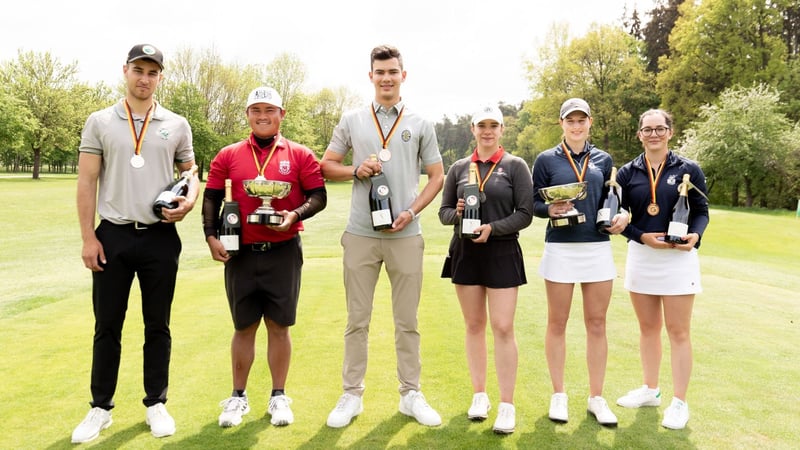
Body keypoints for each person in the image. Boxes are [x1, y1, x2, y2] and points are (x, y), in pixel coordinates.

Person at [72, 43, 198, 443]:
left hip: (161, 235)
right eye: (139, 70)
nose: (145, 79)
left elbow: (191, 172)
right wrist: (89, 236)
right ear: (125, 71)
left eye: (153, 72)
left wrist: (190, 201)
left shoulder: (176, 123)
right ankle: (100, 408)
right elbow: (87, 181)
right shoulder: (100, 121)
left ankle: (156, 403)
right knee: (107, 324)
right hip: (113, 235)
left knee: (157, 324)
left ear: (160, 77)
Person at [320, 44, 445, 428]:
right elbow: (326, 166)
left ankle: (411, 394)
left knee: (407, 320)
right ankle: (351, 395)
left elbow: (437, 176)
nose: (386, 78)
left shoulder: (421, 123)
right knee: (357, 320)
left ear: (403, 76)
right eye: (380, 72)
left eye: (393, 71)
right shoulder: (353, 119)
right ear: (370, 76)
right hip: (360, 233)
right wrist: (356, 169)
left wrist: (411, 211)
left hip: (406, 235)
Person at [201, 86, 327, 428]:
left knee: (279, 326)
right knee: (244, 326)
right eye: (255, 109)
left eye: (269, 109)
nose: (262, 116)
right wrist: (210, 236)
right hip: (239, 253)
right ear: (247, 115)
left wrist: (295, 215)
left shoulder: (300, 154)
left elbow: (318, 196)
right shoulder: (228, 155)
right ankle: (238, 398)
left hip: (283, 252)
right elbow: (212, 197)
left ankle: (278, 396)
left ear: (281, 114)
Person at [531, 98, 627, 427]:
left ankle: (596, 398)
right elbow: (532, 203)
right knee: (557, 323)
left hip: (596, 247)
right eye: (570, 120)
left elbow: (611, 200)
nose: (576, 125)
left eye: (581, 120)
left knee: (596, 324)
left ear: (590, 122)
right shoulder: (545, 159)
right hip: (560, 245)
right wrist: (549, 209)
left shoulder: (603, 159)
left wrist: (621, 216)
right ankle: (559, 395)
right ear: (562, 124)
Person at [438, 105, 533, 434]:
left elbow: (525, 213)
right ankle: (480, 395)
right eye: (482, 126)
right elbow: (444, 213)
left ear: (502, 130)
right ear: (473, 130)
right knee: (474, 325)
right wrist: (459, 213)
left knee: (503, 327)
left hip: (502, 250)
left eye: (494, 125)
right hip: (465, 251)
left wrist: (493, 228)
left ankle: (507, 404)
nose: (488, 131)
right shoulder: (459, 168)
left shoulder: (515, 166)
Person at [615, 109, 709, 430]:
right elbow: (617, 215)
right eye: (647, 129)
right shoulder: (628, 173)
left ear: (670, 131)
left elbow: (701, 211)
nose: (653, 134)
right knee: (647, 329)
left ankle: (679, 402)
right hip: (642, 255)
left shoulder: (689, 169)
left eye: (660, 129)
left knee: (679, 332)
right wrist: (639, 235)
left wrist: (695, 236)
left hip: (679, 258)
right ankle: (650, 390)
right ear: (639, 134)